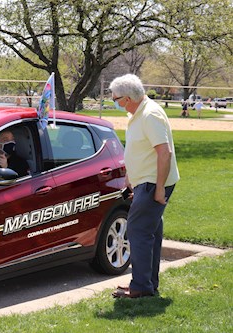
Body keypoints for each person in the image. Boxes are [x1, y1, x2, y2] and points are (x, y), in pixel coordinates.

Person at [109, 74, 180, 298]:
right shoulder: (139, 113)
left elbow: (164, 153)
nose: (115, 103)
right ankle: (148, 283)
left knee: (138, 231)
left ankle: (140, 287)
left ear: (128, 98)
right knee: (149, 233)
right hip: (145, 183)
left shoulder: (150, 115)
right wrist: (131, 176)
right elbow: (140, 149)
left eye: (116, 99)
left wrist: (159, 189)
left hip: (153, 184)